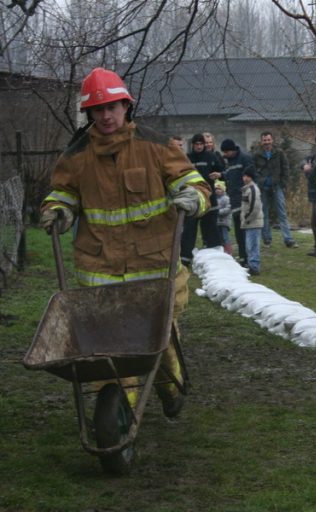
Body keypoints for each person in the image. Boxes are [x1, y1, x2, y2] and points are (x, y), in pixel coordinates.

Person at [39, 67, 211, 417]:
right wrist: (59, 211)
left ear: (125, 107)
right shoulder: (76, 157)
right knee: (107, 346)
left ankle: (169, 385)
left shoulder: (156, 147)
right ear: (89, 113)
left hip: (154, 269)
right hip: (100, 271)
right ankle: (120, 410)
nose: (106, 116)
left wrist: (193, 198)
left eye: (112, 107)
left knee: (159, 341)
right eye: (98, 109)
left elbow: (192, 182)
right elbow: (62, 193)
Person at [180, 133, 222, 265]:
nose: (199, 146)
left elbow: (222, 171)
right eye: (196, 144)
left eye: (201, 144)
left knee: (210, 229)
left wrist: (219, 174)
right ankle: (185, 258)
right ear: (192, 145)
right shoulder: (187, 158)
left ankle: (213, 256)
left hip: (209, 199)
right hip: (193, 199)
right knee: (189, 230)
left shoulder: (211, 157)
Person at [211, 139, 253, 264]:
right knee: (238, 231)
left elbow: (252, 177)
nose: (225, 154)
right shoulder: (230, 161)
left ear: (232, 150)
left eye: (226, 152)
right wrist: (220, 175)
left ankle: (249, 257)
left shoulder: (245, 159)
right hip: (234, 200)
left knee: (245, 230)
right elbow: (230, 175)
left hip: (244, 199)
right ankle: (243, 257)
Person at [253, 131, 297, 248]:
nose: (266, 142)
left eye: (268, 140)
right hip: (263, 187)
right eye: (264, 140)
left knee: (282, 213)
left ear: (272, 140)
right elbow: (253, 170)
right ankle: (266, 239)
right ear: (261, 141)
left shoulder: (279, 153)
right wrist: (259, 181)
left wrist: (283, 183)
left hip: (277, 186)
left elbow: (285, 168)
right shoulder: (257, 155)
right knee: (264, 213)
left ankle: (288, 239)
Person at [240, 168, 264, 276]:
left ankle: (254, 267)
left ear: (252, 177)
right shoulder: (247, 189)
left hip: (253, 222)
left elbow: (255, 207)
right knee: (249, 246)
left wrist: (247, 218)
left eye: (248, 176)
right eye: (244, 176)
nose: (245, 178)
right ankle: (251, 265)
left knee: (253, 245)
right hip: (249, 223)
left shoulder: (253, 189)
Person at [215, 180, 233, 255]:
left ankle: (229, 251)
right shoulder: (215, 199)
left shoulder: (226, 198)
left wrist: (219, 212)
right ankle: (222, 251)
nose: (217, 190)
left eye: (219, 189)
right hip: (217, 222)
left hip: (224, 221)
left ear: (223, 190)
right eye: (216, 189)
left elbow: (228, 208)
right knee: (219, 237)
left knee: (225, 237)